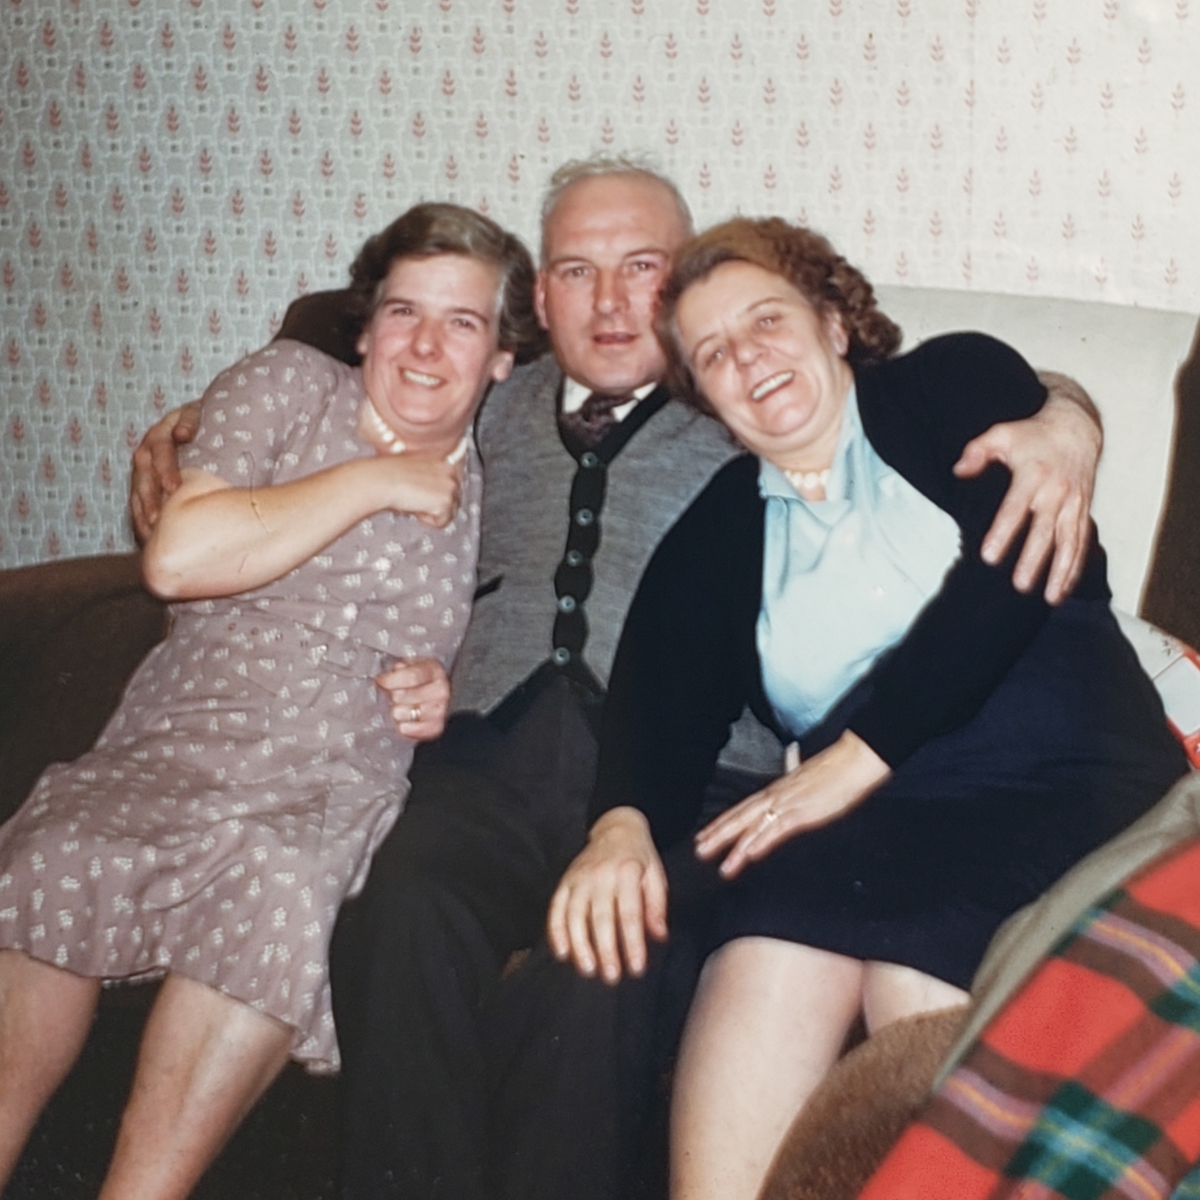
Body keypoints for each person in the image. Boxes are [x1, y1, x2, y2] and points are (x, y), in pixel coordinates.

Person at [129, 156, 1108, 1200]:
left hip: (686, 777)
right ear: (538, 303)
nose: (606, 302)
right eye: (574, 271)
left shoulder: (740, 402)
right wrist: (199, 422)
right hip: (485, 755)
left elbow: (927, 395)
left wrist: (1070, 415)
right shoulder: (487, 393)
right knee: (403, 903)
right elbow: (365, 355)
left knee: (606, 957)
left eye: (641, 268)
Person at [547, 216, 1189, 1200]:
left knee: (913, 968)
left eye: (767, 320)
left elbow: (1013, 575)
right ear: (705, 396)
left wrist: (862, 751)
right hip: (874, 814)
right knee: (766, 940)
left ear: (835, 324)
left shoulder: (950, 385)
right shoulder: (722, 525)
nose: (746, 356)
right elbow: (658, 698)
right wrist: (621, 825)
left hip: (1062, 763)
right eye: (712, 353)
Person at [0, 203, 540, 1200]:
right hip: (189, 728)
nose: (425, 345)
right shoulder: (290, 385)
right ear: (365, 328)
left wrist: (446, 685)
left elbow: (533, 631)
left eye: (462, 322)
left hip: (335, 766)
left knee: (278, 887)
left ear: (504, 358)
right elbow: (178, 558)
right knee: (58, 853)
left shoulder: (510, 474)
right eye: (403, 312)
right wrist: (377, 480)